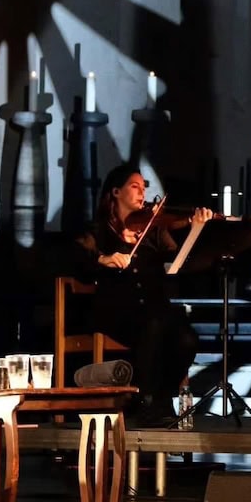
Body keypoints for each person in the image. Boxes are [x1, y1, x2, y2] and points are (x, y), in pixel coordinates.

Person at [72, 164, 213, 426]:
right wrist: (103, 259)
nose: (142, 193)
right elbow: (76, 261)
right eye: (134, 186)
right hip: (116, 314)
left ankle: (159, 398)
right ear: (115, 192)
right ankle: (148, 401)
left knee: (187, 338)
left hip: (155, 311)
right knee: (156, 324)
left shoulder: (154, 230)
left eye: (144, 188)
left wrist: (195, 230)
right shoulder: (98, 231)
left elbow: (178, 263)